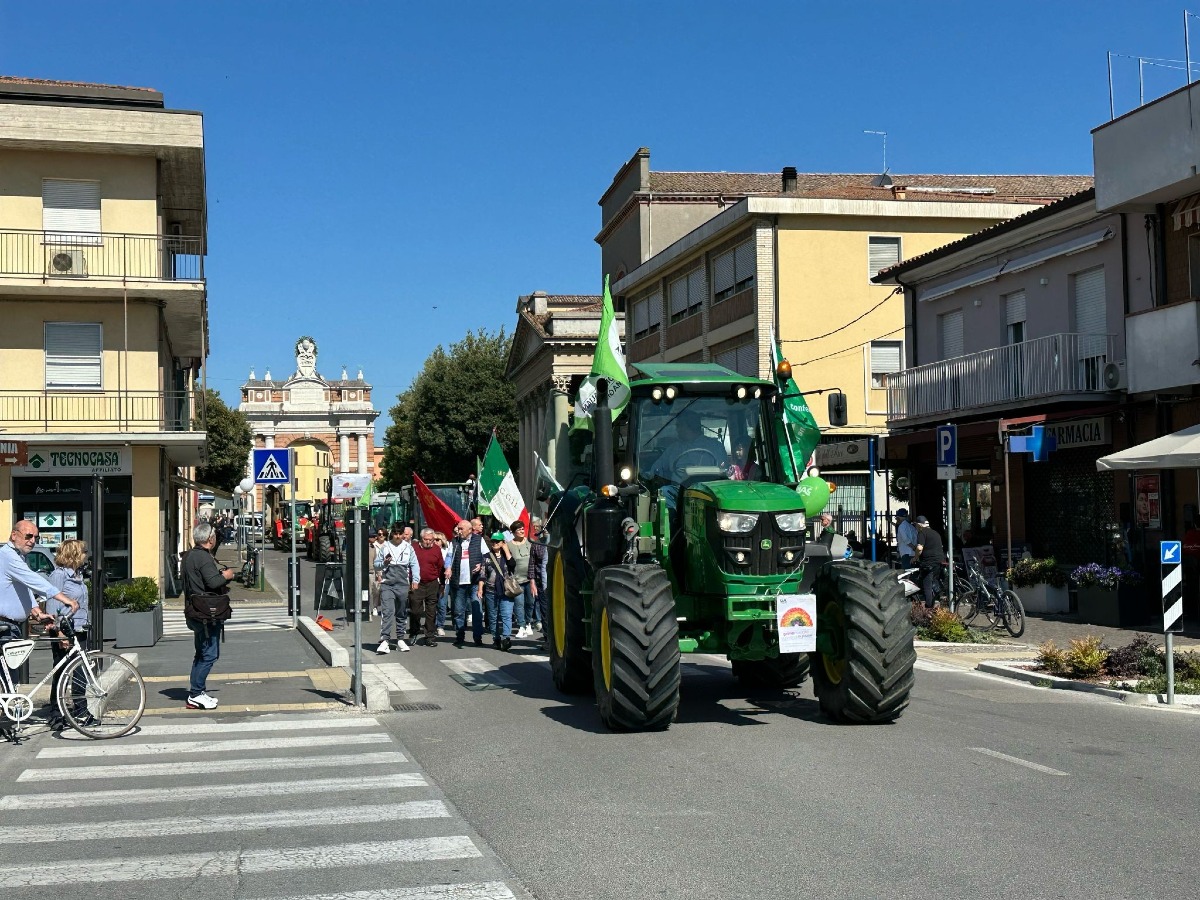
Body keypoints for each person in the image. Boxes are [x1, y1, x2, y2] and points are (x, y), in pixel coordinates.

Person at [0, 521, 79, 691]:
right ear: (14, 535)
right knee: (9, 677)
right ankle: (14, 712)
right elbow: (33, 580)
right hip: (4, 626)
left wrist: (37, 612)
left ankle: (13, 711)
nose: (32, 540)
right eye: (28, 536)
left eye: (36, 537)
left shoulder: (19, 557)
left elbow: (23, 588)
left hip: (10, 626)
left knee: (10, 677)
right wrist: (65, 599)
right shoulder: (8, 556)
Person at [181, 521, 235, 709]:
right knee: (209, 655)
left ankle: (198, 691)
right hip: (206, 613)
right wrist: (227, 575)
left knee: (201, 653)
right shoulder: (203, 557)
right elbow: (213, 583)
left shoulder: (189, 556)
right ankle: (195, 694)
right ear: (210, 539)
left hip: (195, 610)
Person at [46, 539, 90, 727]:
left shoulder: (78, 575)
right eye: (83, 551)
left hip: (79, 628)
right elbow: (52, 605)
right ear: (73, 554)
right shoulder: (59, 575)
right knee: (62, 671)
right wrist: (59, 634)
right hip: (64, 629)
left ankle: (80, 710)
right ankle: (56, 712)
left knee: (81, 671)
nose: (86, 555)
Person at [649, 411, 729, 484]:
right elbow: (657, 469)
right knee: (665, 492)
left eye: (679, 425)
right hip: (677, 491)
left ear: (691, 425)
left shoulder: (715, 446)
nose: (677, 429)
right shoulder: (673, 449)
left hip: (707, 491)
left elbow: (722, 471)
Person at [373, 525, 415, 654]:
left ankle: (400, 639)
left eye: (400, 533)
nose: (397, 536)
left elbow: (414, 564)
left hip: (402, 584)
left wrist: (416, 580)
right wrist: (384, 563)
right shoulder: (386, 547)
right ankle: (385, 640)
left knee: (401, 612)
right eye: (395, 533)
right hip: (388, 584)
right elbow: (376, 564)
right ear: (392, 534)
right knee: (388, 611)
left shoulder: (408, 547)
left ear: (403, 534)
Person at [445, 519, 484, 647]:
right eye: (458, 528)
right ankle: (460, 636)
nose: (459, 531)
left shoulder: (478, 540)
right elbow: (449, 557)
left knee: (476, 610)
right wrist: (448, 568)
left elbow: (487, 557)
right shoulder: (455, 541)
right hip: (459, 582)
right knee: (459, 611)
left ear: (469, 530)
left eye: (461, 529)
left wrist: (481, 565)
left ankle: (477, 637)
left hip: (474, 582)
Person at [479, 532, 514, 651]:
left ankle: (506, 638)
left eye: (497, 541)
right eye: (493, 541)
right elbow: (482, 574)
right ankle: (496, 638)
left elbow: (512, 565)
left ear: (502, 543)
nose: (494, 543)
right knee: (493, 616)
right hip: (490, 591)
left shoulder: (507, 555)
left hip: (506, 591)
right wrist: (480, 589)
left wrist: (506, 549)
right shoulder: (486, 557)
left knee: (506, 615)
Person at [411, 528, 446, 646]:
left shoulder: (436, 549)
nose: (428, 542)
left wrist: (442, 584)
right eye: (426, 540)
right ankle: (414, 631)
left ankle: (429, 636)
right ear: (422, 538)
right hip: (417, 583)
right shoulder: (414, 547)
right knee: (416, 610)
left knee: (431, 611)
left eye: (431, 540)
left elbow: (441, 567)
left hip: (432, 583)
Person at [506, 520, 538, 638]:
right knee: (519, 604)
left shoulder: (531, 542)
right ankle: (521, 626)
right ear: (513, 532)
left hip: (531, 579)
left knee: (530, 603)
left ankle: (528, 622)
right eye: (518, 529)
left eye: (522, 529)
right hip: (516, 580)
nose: (521, 531)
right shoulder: (509, 545)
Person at [913, 515, 946, 608]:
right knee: (934, 581)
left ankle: (929, 607)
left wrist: (915, 558)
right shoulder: (935, 533)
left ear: (919, 525)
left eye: (916, 525)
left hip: (928, 562)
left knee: (927, 584)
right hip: (939, 561)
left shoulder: (922, 532)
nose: (915, 527)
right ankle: (937, 601)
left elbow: (919, 548)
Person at [368, 528, 387, 618]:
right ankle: (369, 609)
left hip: (378, 571)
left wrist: (378, 573)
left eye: (382, 534)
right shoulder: (371, 546)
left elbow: (376, 561)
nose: (379, 536)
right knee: (368, 592)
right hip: (368, 572)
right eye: (378, 535)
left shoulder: (387, 545)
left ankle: (378, 607)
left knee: (378, 591)